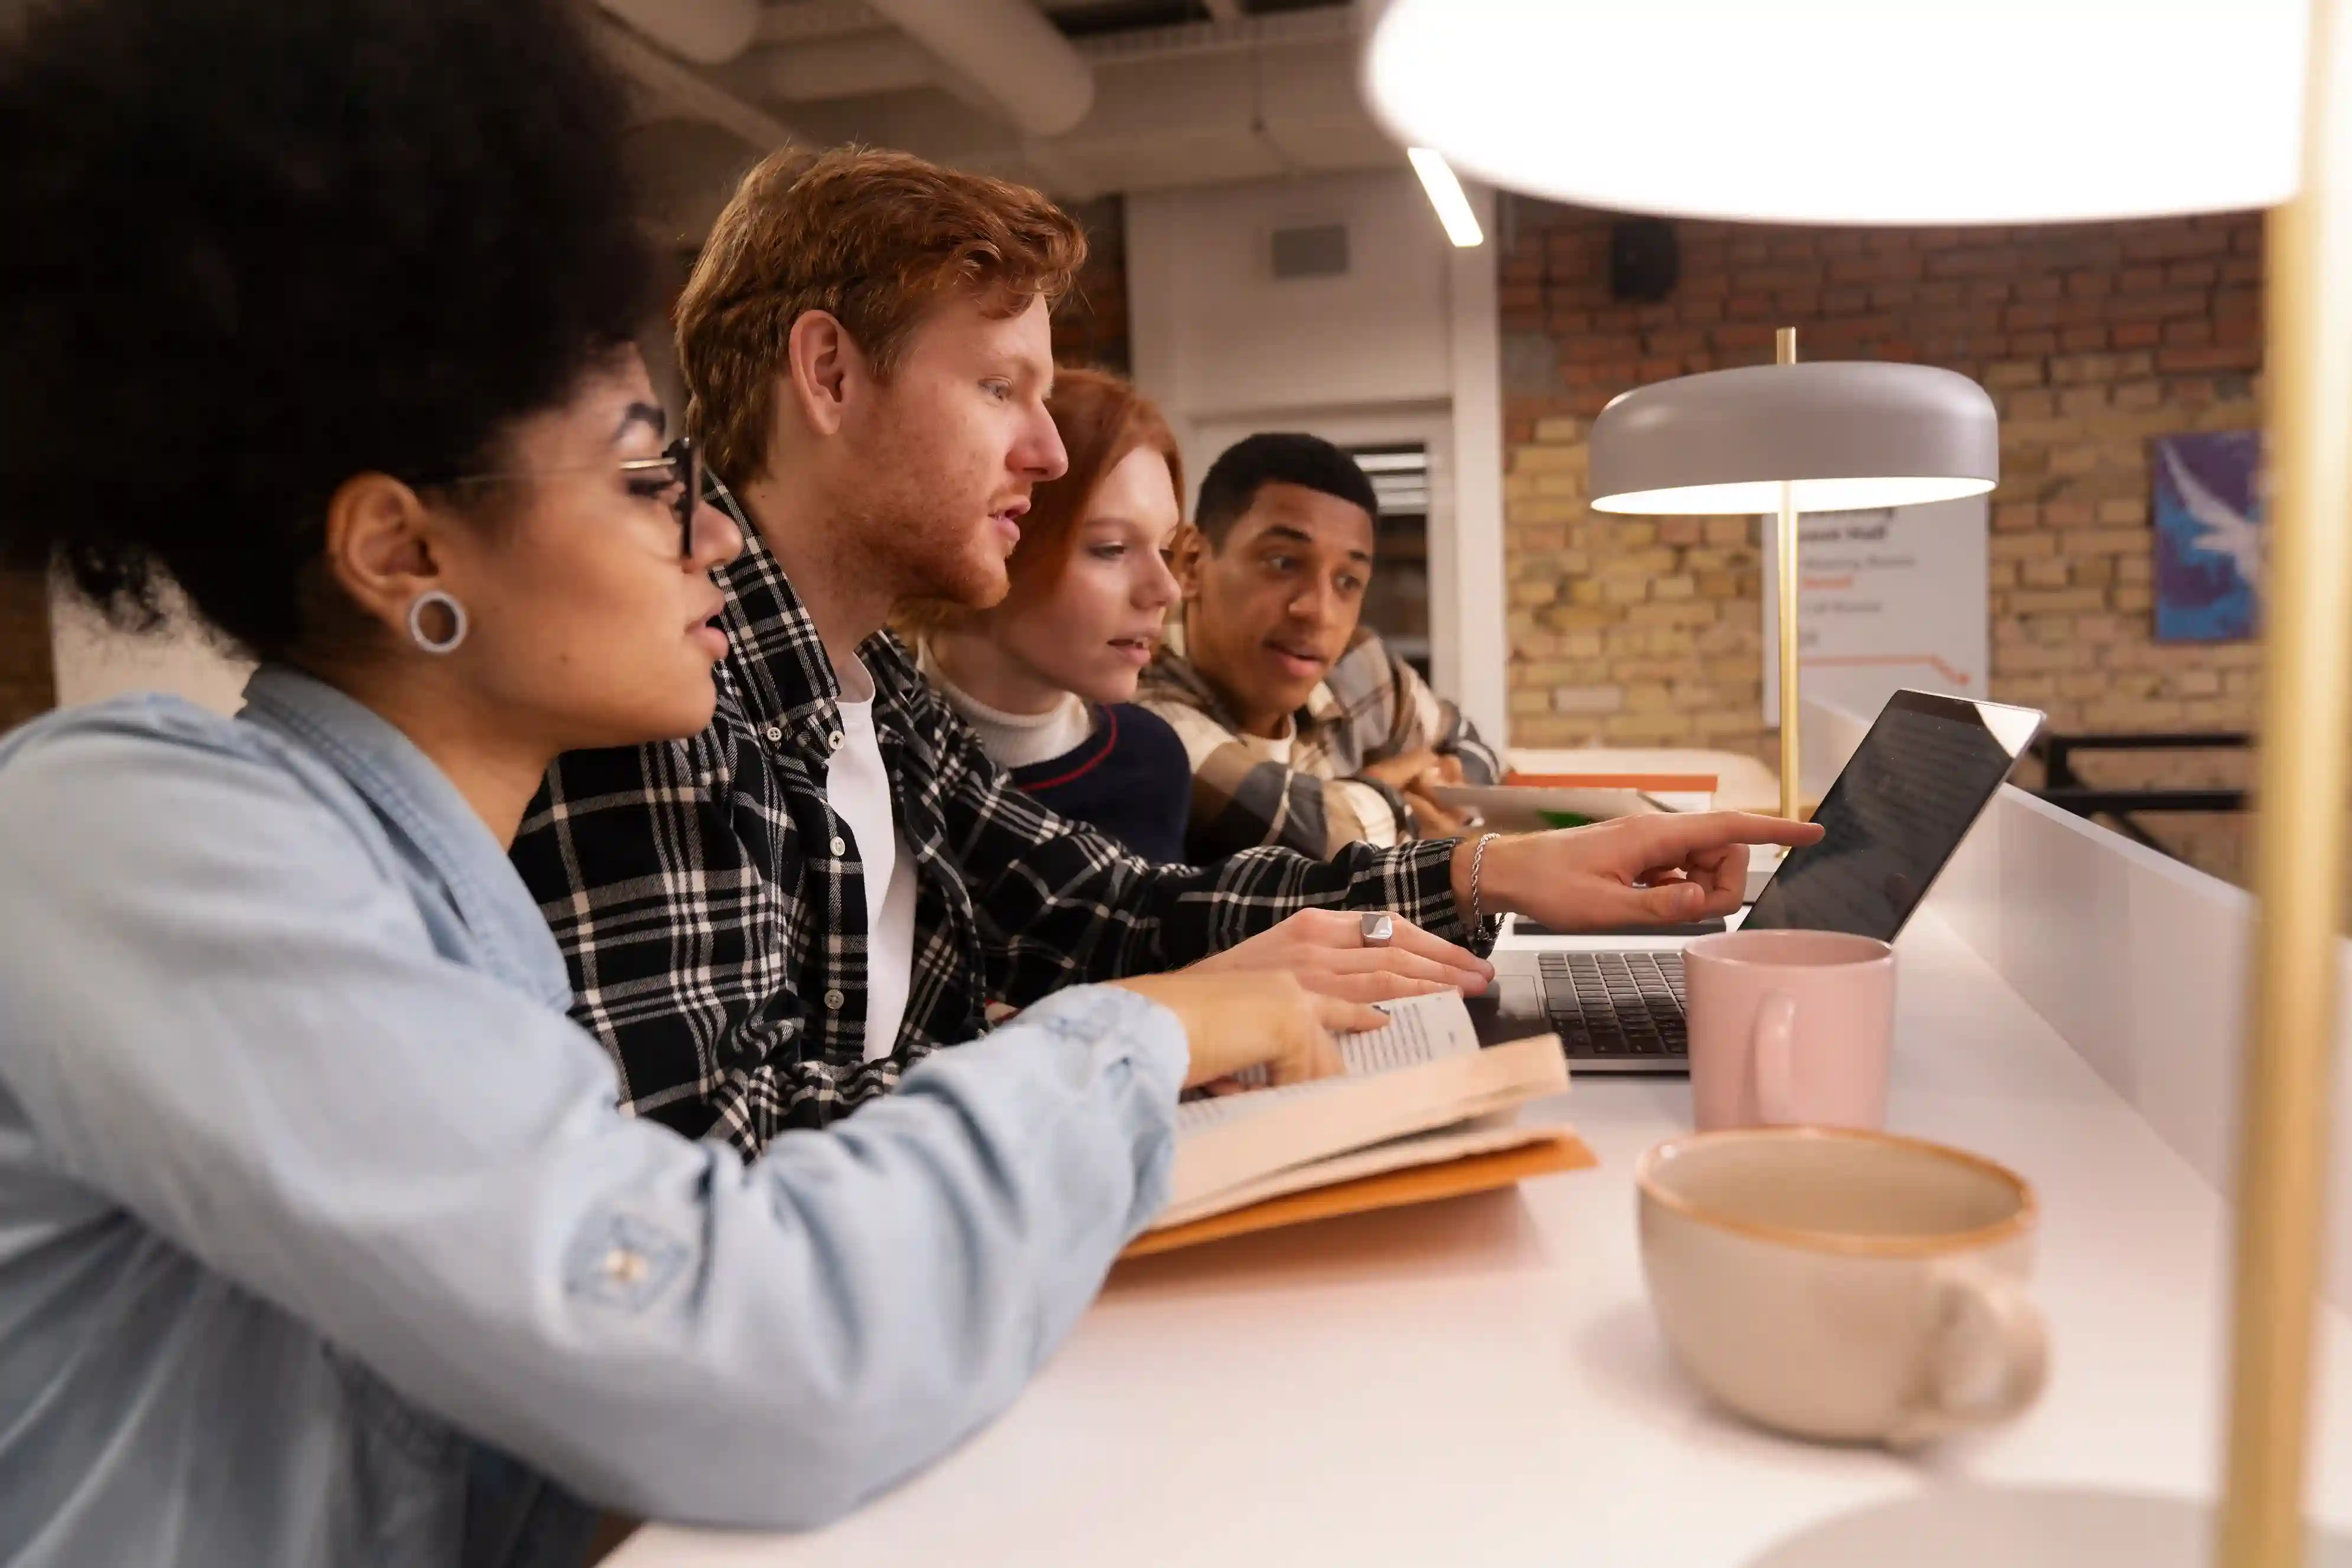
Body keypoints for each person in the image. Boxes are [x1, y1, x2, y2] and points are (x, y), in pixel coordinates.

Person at [0, 2, 1359, 1562]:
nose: (712, 532)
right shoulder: (119, 826)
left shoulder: (456, 922)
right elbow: (724, 1341)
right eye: (647, 474)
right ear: (405, 552)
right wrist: (1141, 1038)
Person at [511, 145, 1821, 1159]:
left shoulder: (878, 689)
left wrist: (1500, 866)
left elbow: (1104, 909)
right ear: (830, 375)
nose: (1048, 451)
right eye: (997, 388)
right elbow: (699, 1160)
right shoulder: (659, 681)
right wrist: (1137, 1036)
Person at [1141, 431, 1504, 861]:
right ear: (1192, 563)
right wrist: (1404, 806)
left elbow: (1472, 746)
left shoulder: (1356, 665)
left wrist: (1439, 781)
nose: (1319, 612)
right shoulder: (1138, 702)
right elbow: (1314, 840)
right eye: (1283, 563)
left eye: (1347, 582)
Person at [909, 366, 1193, 861]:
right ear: (999, 532)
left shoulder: (1150, 762)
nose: (1165, 589)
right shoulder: (863, 737)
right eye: (1111, 548)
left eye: (1165, 549)